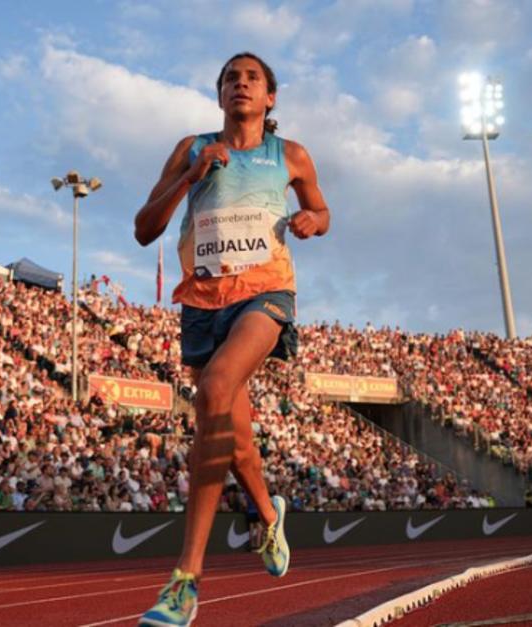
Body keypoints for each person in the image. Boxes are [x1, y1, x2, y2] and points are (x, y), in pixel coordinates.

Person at [133, 51, 331, 627]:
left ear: (270, 98)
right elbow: (145, 229)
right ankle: (269, 516)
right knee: (235, 434)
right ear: (219, 95)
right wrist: (189, 178)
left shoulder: (289, 155)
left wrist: (312, 222)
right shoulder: (190, 149)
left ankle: (184, 580)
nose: (240, 84)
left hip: (264, 294)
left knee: (213, 390)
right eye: (230, 78)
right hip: (202, 303)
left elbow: (322, 210)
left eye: (252, 78)